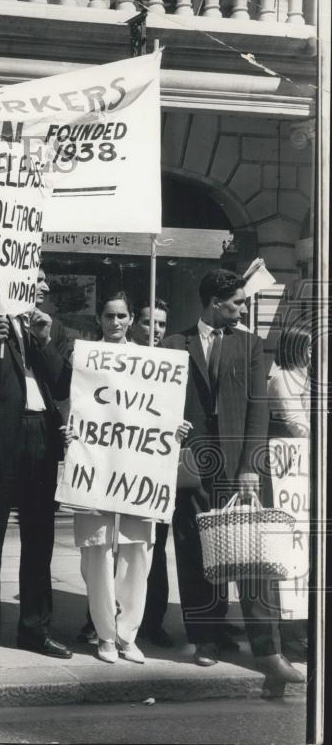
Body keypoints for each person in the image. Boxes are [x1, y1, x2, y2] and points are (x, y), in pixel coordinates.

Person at [162, 269, 303, 682]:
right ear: (214, 302)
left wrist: (249, 470)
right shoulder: (174, 345)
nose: (243, 308)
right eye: (238, 302)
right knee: (194, 552)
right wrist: (173, 428)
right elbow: (159, 406)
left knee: (255, 559)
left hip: (240, 469)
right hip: (193, 466)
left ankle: (268, 651)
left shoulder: (252, 346)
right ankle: (205, 638)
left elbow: (259, 411)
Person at [69, 293, 190, 664]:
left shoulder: (151, 362)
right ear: (100, 318)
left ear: (131, 319)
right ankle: (105, 635)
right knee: (98, 553)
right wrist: (70, 430)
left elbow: (160, 413)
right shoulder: (84, 358)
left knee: (138, 553)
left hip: (139, 473)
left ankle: (127, 635)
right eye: (109, 315)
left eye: (122, 316)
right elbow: (71, 403)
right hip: (97, 468)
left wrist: (176, 429)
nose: (116, 322)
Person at [0, 300, 73, 662]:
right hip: (0, 440)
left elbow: (61, 384)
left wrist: (42, 340)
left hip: (41, 435)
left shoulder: (47, 326)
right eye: (34, 278)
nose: (40, 287)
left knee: (40, 537)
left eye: (42, 282)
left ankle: (35, 629)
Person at [130, 299, 175, 648]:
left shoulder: (172, 360)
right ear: (134, 323)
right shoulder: (121, 357)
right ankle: (103, 618)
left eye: (161, 323)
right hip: (120, 463)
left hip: (157, 468)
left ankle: (153, 620)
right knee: (115, 546)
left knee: (155, 547)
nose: (155, 330)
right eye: (148, 322)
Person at [267, 320, 312, 664]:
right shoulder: (282, 377)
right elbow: (298, 424)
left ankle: (304, 627)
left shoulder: (308, 378)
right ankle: (291, 631)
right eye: (308, 347)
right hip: (289, 468)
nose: (313, 353)